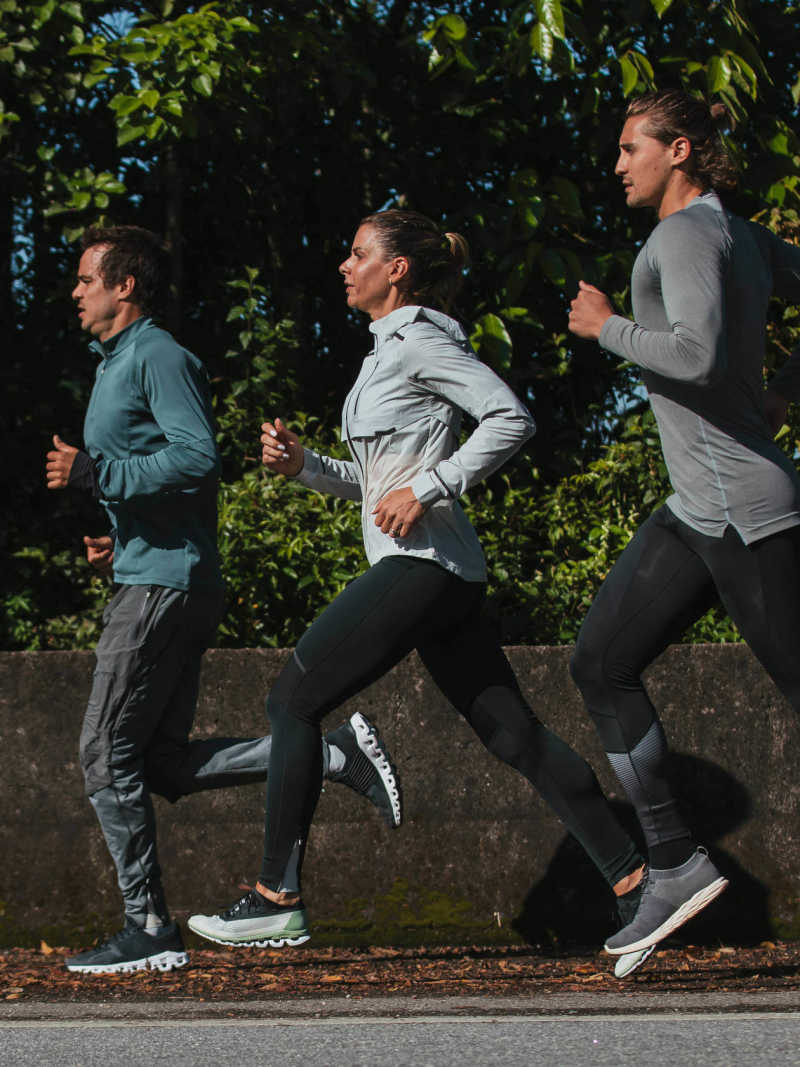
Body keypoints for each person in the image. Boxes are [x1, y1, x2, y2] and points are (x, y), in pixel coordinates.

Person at [187, 209, 649, 969]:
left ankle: (276, 897)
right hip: (442, 573)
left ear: (396, 269)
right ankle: (636, 880)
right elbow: (378, 487)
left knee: (293, 700)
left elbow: (510, 417)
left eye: (358, 252)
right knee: (515, 735)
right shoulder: (383, 352)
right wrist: (303, 466)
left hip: (422, 566)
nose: (344, 264)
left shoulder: (421, 341)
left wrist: (433, 487)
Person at [45, 225, 401, 976]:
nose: (75, 292)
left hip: (162, 588)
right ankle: (330, 754)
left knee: (104, 756)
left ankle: (147, 926)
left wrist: (97, 475)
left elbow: (196, 456)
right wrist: (119, 536)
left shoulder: (157, 354)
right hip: (154, 571)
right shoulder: (115, 364)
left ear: (124, 286)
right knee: (161, 763)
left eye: (85, 279)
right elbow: (161, 474)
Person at [568, 88, 800, 959]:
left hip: (745, 512)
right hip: (699, 507)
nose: (619, 163)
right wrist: (780, 393)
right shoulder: (738, 235)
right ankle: (672, 862)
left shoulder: (685, 235)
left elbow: (696, 355)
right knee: (601, 660)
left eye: (633, 148)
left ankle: (671, 860)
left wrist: (606, 326)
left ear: (681, 151)